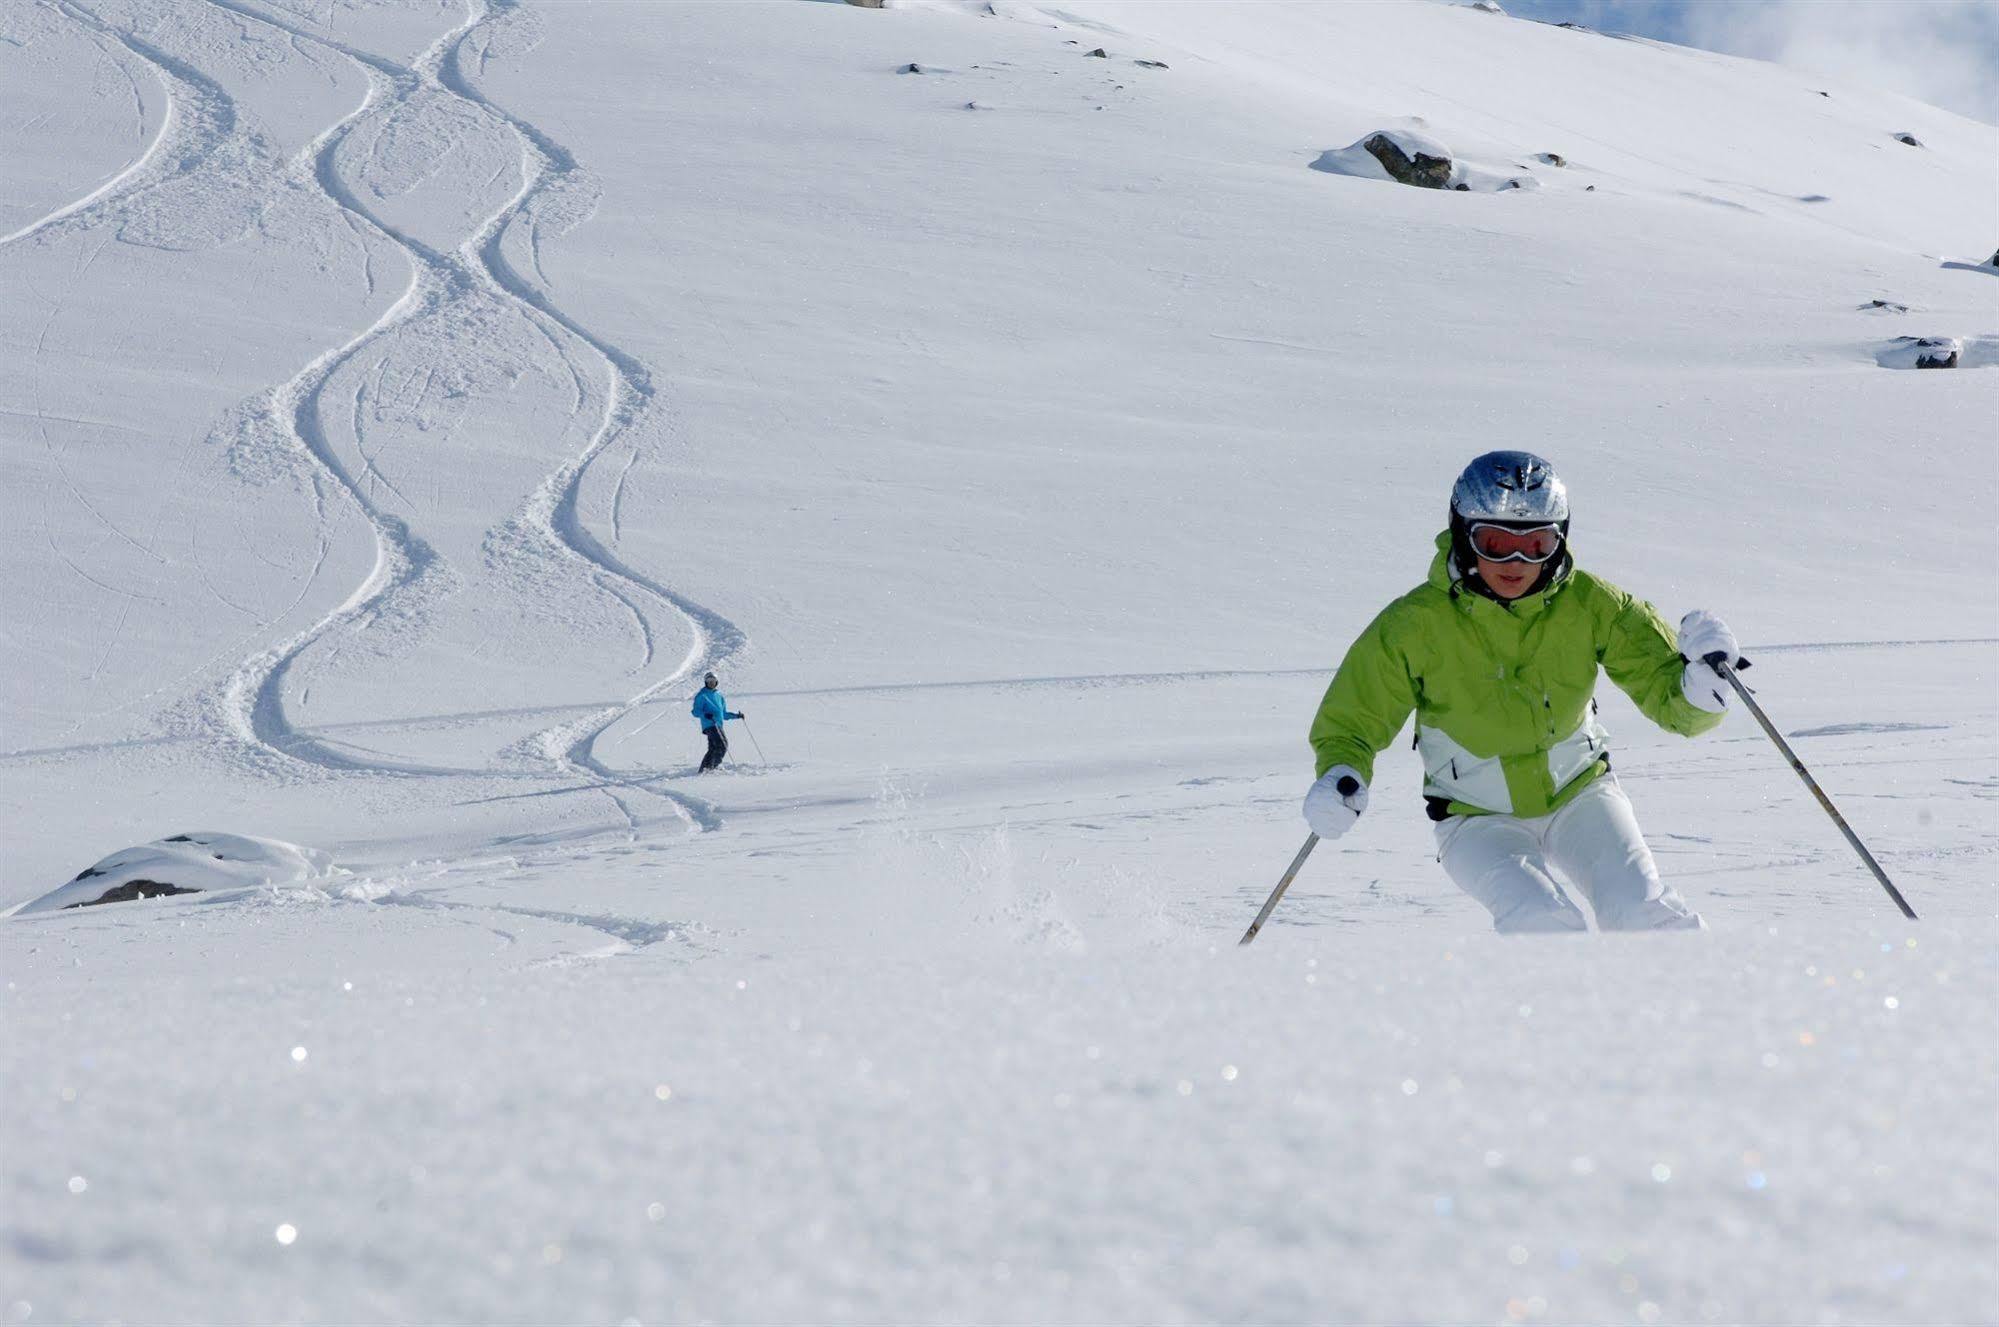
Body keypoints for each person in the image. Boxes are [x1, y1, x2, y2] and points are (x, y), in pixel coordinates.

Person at [1303, 450, 1743, 933]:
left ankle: (1700, 1004)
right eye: (1494, 543)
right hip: (1475, 819)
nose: (1515, 562)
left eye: (1535, 544)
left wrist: (1701, 691)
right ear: (1463, 535)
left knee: (1641, 911)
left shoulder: (1592, 604)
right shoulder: (1414, 625)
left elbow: (1671, 701)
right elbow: (1353, 720)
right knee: (1543, 924)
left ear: (1558, 542)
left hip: (1581, 796)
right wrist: (1341, 773)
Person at [691, 672, 742, 773]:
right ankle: (711, 768)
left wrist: (737, 716)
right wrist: (705, 714)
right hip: (710, 724)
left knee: (713, 748)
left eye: (713, 681)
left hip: (718, 725)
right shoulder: (702, 695)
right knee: (722, 744)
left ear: (716, 682)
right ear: (705, 682)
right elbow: (695, 711)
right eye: (709, 681)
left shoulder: (719, 696)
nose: (711, 683)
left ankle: (704, 769)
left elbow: (724, 714)